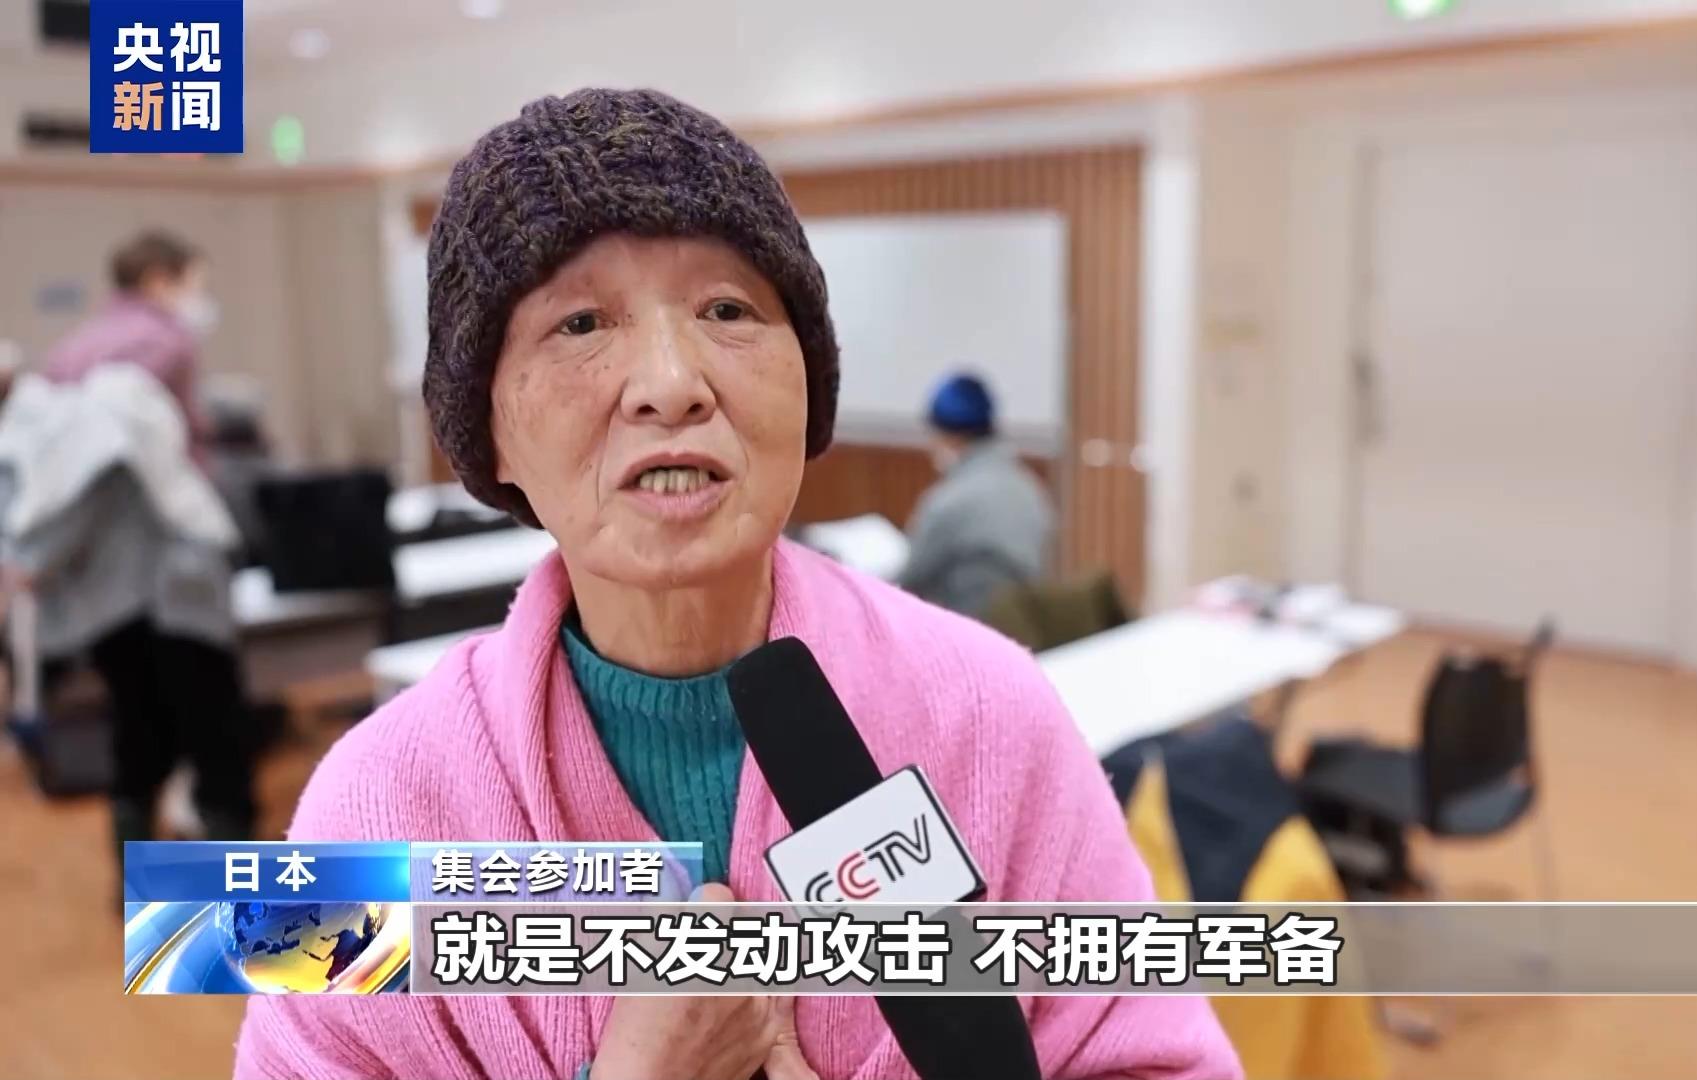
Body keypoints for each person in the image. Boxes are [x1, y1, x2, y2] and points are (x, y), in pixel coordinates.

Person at [236, 89, 1238, 1080]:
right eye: (580, 322)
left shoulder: (991, 714)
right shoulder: (371, 805)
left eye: (727, 310)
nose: (672, 383)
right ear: (486, 428)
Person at [0, 361, 254, 859]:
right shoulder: (45, 428)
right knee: (151, 741)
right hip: (133, 608)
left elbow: (47, 532)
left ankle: (224, 881)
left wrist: (25, 564)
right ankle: (162, 880)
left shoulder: (57, 426)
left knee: (202, 737)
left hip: (173, 595)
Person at [42, 230, 220, 454]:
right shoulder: (169, 340)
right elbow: (184, 428)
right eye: (193, 287)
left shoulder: (77, 341)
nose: (198, 298)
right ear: (158, 281)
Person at [898, 372, 1056, 618]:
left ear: (950, 436)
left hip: (968, 629)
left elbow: (909, 581)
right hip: (1028, 629)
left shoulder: (949, 502)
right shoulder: (1030, 489)